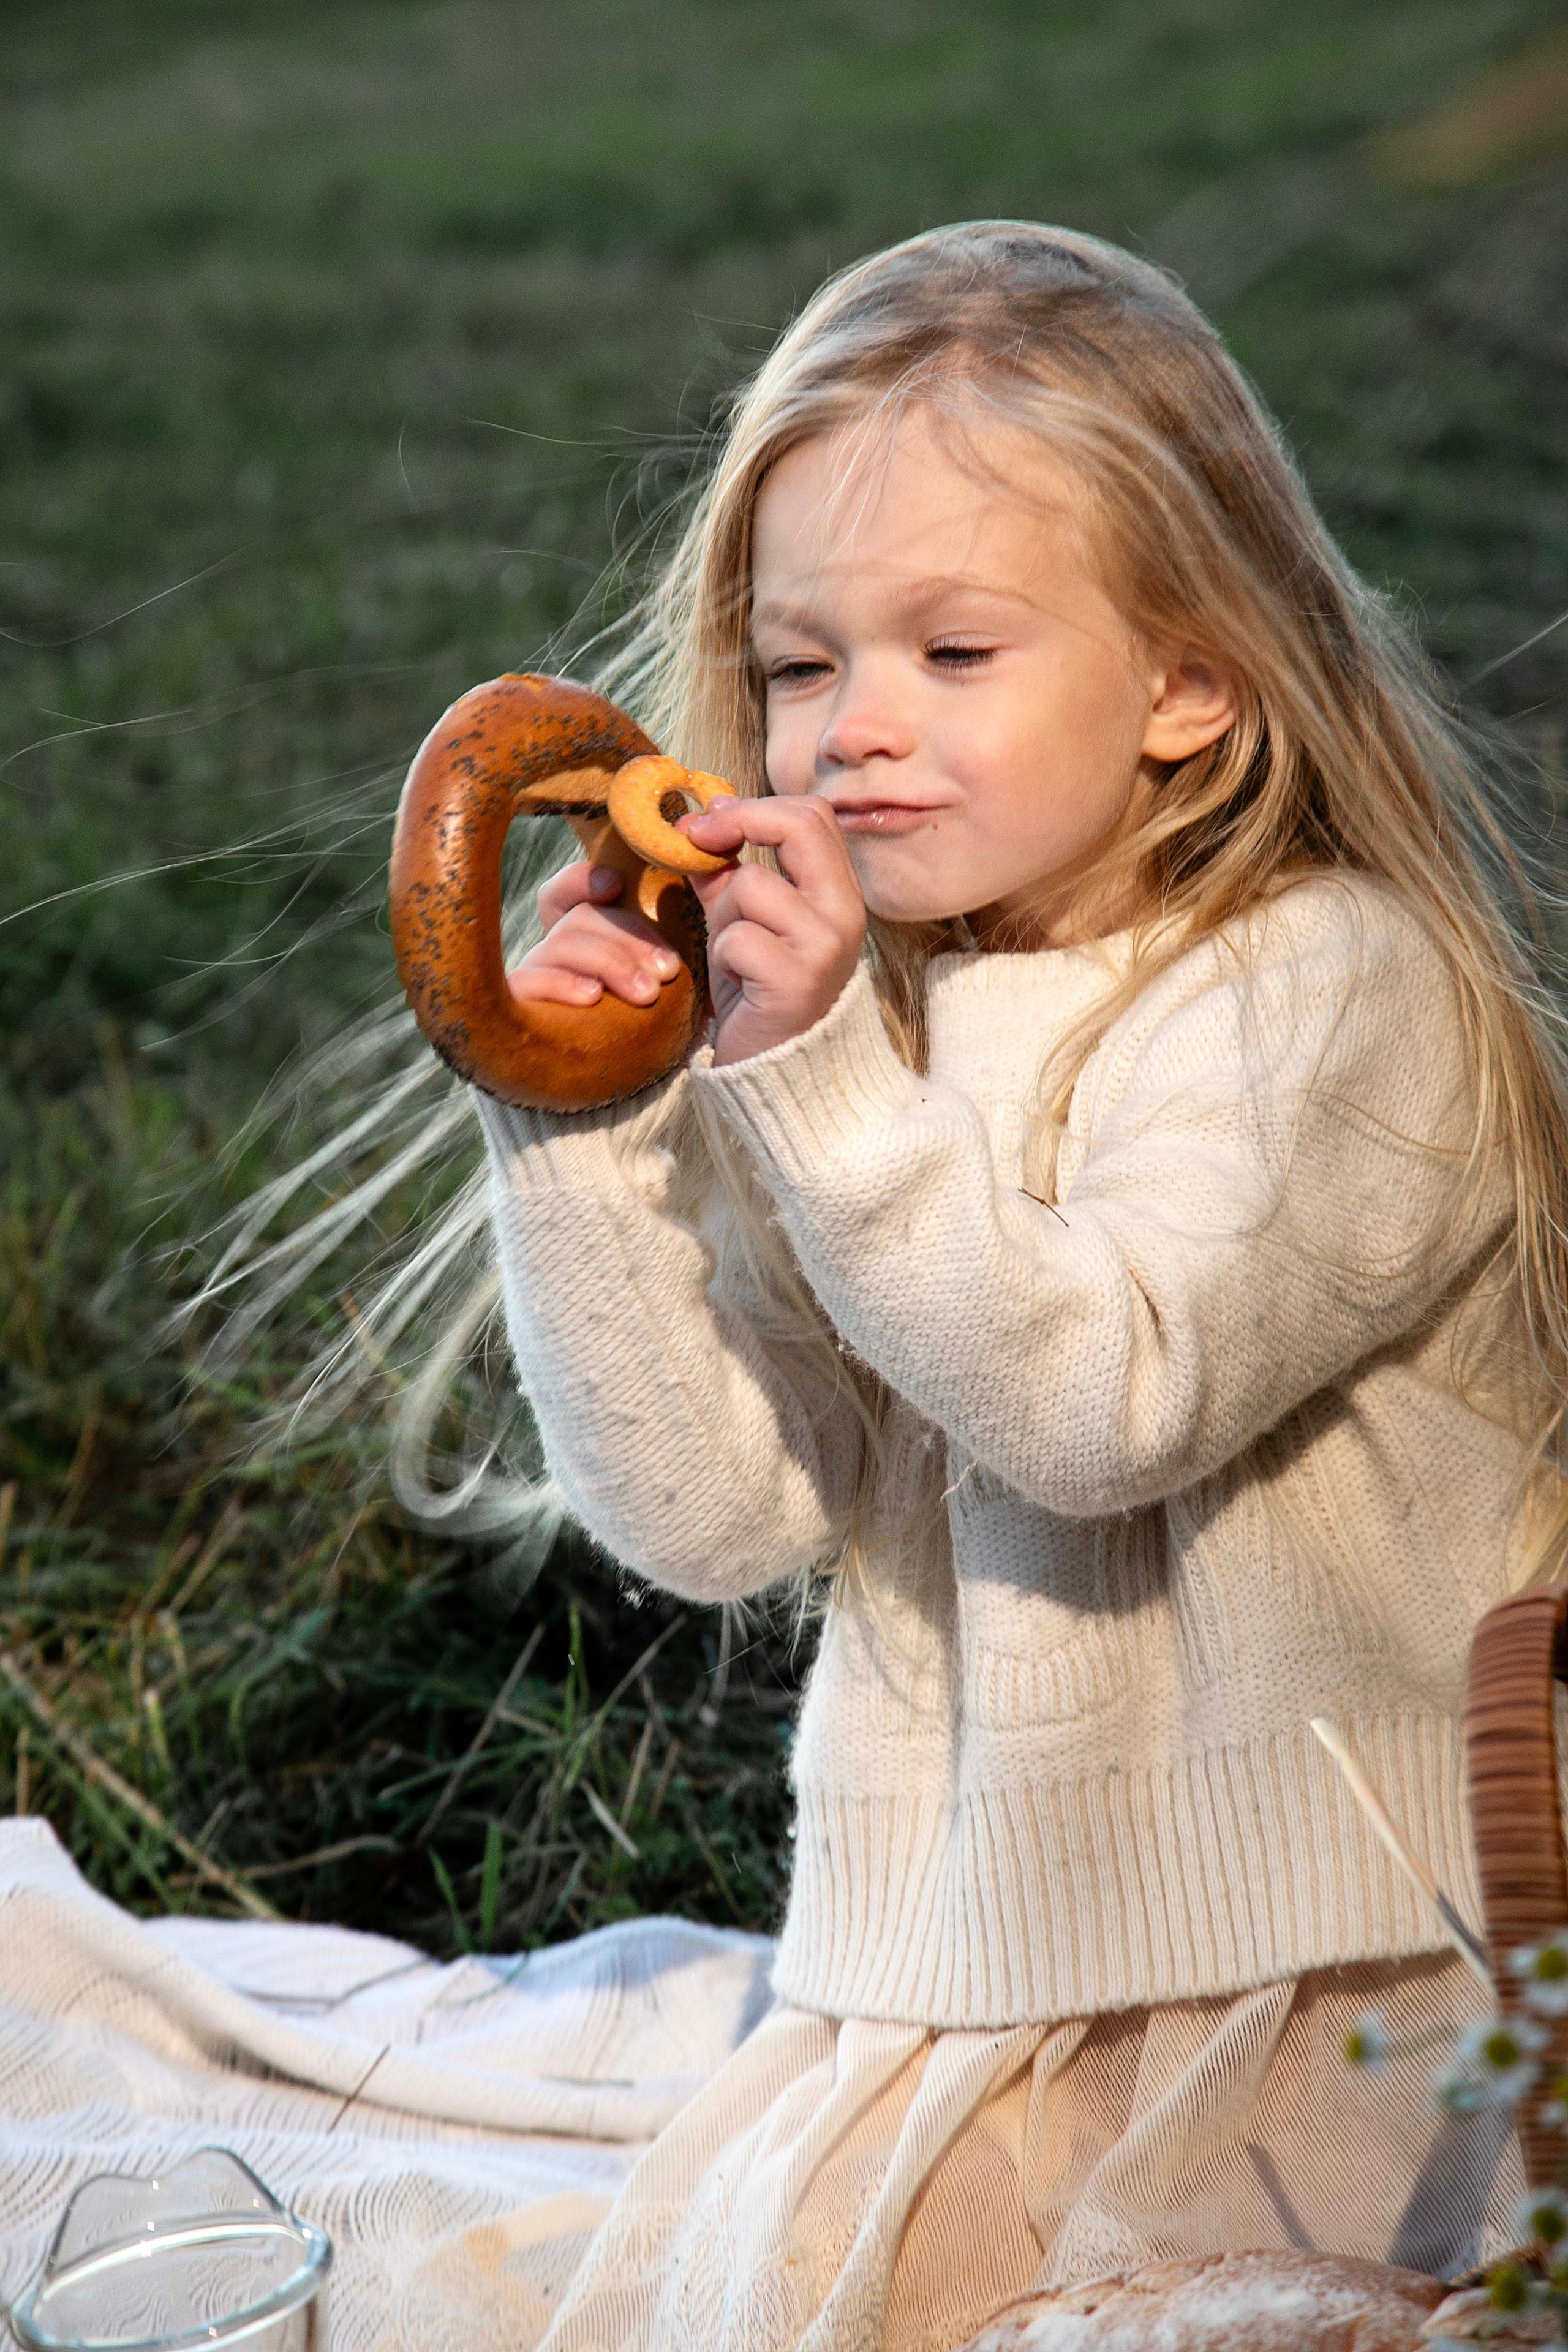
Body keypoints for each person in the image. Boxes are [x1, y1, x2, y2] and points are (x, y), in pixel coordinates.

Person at [303, 222, 1568, 2348]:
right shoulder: (837, 1026)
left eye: (952, 655)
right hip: (956, 1982)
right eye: (805, 667)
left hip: (1330, 1991)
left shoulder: (1336, 994)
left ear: (1191, 681)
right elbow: (713, 1520)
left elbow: (1105, 1404)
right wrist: (586, 1135)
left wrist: (821, 1085)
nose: (851, 733)